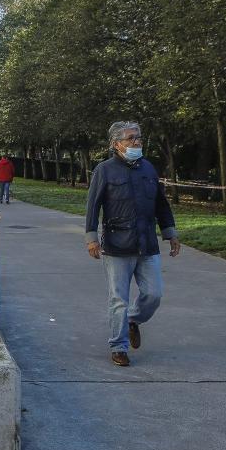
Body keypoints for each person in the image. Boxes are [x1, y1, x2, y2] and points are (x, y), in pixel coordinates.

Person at [85, 121, 181, 367]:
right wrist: (91, 238)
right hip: (117, 246)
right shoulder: (104, 170)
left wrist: (170, 232)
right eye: (131, 138)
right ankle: (118, 346)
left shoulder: (148, 169)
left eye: (138, 137)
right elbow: (93, 206)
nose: (137, 142)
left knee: (154, 294)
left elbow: (161, 204)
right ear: (117, 144)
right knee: (119, 299)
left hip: (147, 244)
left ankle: (132, 321)